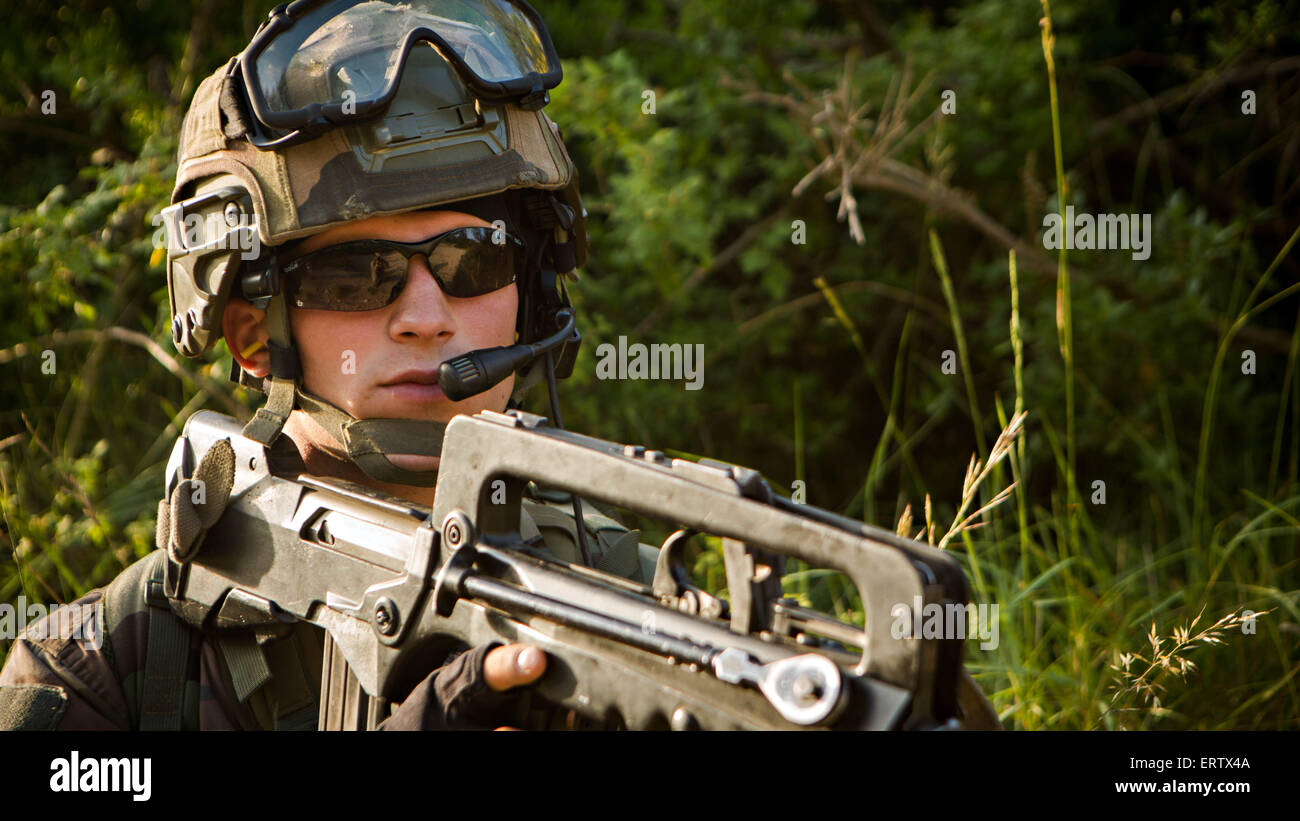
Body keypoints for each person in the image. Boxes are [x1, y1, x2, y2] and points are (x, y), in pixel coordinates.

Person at [0, 0, 648, 730]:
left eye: (474, 259)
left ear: (528, 294)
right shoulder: (105, 666)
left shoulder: (643, 618)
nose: (426, 316)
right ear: (253, 336)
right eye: (357, 276)